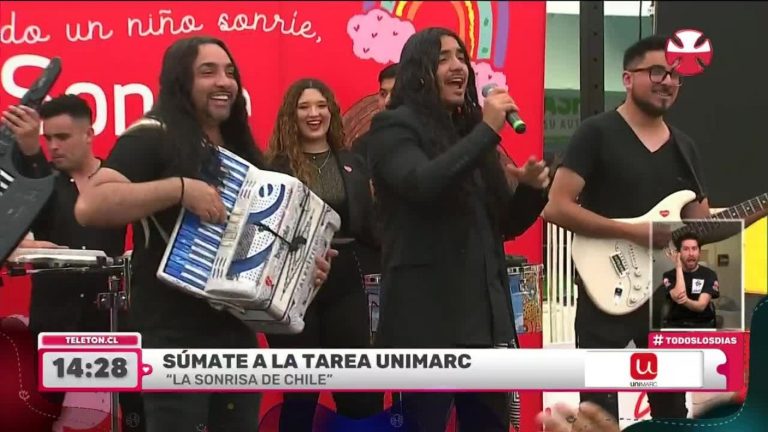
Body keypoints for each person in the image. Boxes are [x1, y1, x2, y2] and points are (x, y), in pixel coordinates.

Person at [74, 36, 335, 432]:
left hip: (238, 333)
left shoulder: (239, 148)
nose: (224, 81)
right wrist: (180, 189)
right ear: (180, 80)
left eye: (230, 72)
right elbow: (91, 205)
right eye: (208, 71)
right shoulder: (152, 135)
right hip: (173, 333)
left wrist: (301, 274)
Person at [542, 34, 768, 422]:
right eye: (656, 71)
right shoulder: (596, 133)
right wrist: (636, 234)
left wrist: (762, 207)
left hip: (666, 295)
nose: (667, 81)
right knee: (598, 407)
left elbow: (703, 228)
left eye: (675, 75)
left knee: (671, 411)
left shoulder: (685, 147)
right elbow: (556, 207)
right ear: (628, 78)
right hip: (605, 290)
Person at [365, 27, 550, 431]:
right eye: (444, 57)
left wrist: (532, 193)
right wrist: (487, 131)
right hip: (426, 325)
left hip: (482, 322)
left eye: (461, 57)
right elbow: (422, 184)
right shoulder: (393, 128)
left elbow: (502, 225)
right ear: (418, 70)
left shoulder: (471, 133)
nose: (458, 67)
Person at [1, 94, 146, 431]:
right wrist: (23, 245)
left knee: (137, 408)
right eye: (47, 138)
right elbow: (8, 231)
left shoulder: (117, 182)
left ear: (89, 134)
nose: (53, 146)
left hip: (112, 317)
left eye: (62, 137)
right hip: (54, 319)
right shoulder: (39, 184)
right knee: (37, 411)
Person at [264, 78, 383, 431]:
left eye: (321, 105)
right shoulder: (274, 168)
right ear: (291, 115)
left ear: (331, 111)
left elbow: (371, 228)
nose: (314, 114)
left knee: (360, 391)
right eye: (304, 107)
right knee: (300, 394)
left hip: (347, 281)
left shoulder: (354, 163)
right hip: (290, 288)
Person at [662, 232, 720, 328]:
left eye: (694, 248)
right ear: (678, 253)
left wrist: (684, 300)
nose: (691, 253)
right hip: (676, 325)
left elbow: (701, 306)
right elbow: (678, 293)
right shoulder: (669, 275)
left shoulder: (709, 274)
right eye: (686, 249)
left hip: (703, 325)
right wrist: (678, 267)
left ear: (699, 252)